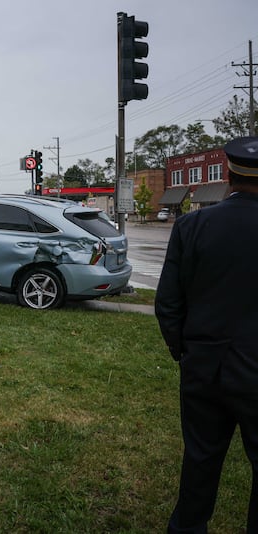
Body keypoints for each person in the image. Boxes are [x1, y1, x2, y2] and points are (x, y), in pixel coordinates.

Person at [156, 136, 258, 533]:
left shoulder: (192, 225)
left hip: (205, 366)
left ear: (228, 175)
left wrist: (183, 349)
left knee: (200, 458)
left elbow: (168, 302)